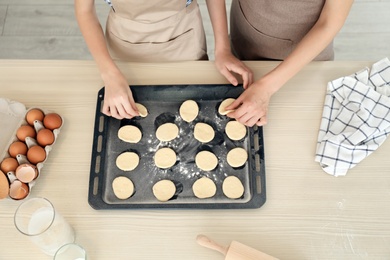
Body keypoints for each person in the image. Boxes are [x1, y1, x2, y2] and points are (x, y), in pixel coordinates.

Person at [74, 0, 252, 120]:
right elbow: (84, 11)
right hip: (125, 41)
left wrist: (222, 49)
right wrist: (110, 75)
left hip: (184, 37)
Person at [213, 0, 354, 127]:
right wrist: (222, 48)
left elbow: (329, 23)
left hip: (303, 62)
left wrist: (266, 88)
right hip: (244, 35)